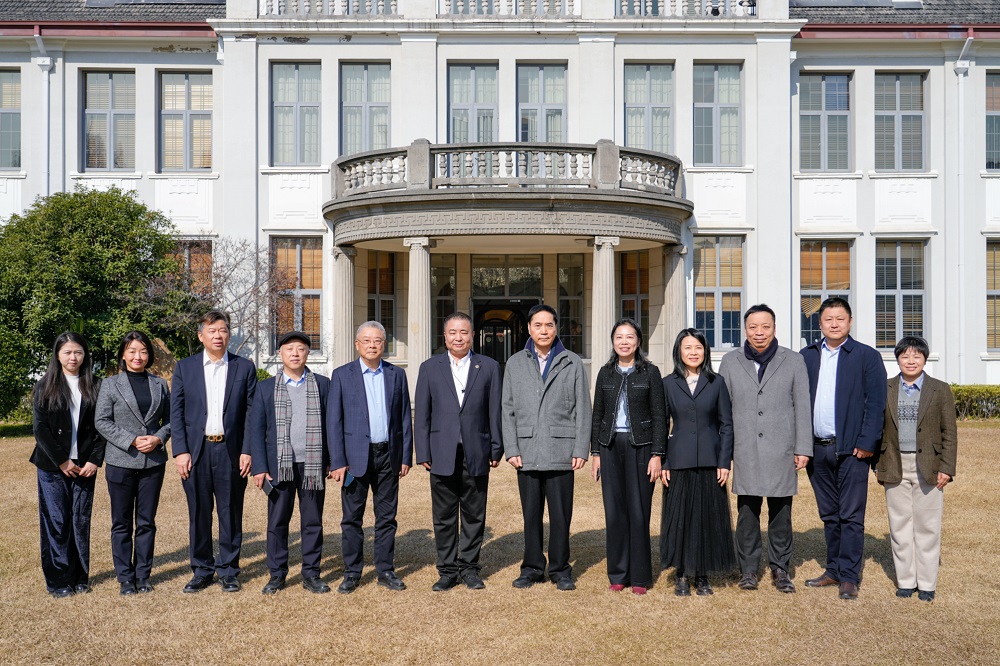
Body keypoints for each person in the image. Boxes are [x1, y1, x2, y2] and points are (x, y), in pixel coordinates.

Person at [718, 304, 812, 593]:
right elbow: (723, 411)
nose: (759, 332)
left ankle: (780, 568)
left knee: (781, 513)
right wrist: (724, 453)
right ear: (745, 330)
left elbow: (802, 406)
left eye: (765, 326)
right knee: (747, 513)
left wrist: (803, 447)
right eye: (753, 327)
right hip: (745, 449)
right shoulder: (731, 362)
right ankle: (748, 569)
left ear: (774, 328)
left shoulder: (793, 361)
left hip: (781, 449)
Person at [800, 297, 886, 600]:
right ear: (819, 323)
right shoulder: (807, 356)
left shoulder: (866, 356)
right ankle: (833, 569)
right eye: (828, 319)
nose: (834, 324)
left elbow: (876, 403)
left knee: (850, 515)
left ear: (850, 322)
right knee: (829, 514)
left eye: (840, 319)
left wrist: (866, 443)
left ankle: (849, 576)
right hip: (817, 449)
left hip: (852, 450)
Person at [502, 304, 592, 591]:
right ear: (529, 328)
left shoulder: (572, 362)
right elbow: (507, 409)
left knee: (561, 516)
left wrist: (580, 449)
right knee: (531, 515)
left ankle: (560, 569)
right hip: (526, 451)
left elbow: (583, 408)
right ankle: (531, 568)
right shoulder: (515, 363)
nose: (544, 330)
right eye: (538, 325)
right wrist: (511, 447)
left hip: (561, 450)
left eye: (549, 325)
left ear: (557, 328)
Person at [414, 312, 503, 591]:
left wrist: (496, 448)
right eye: (453, 332)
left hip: (477, 450)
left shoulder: (488, 367)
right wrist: (423, 452)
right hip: (441, 451)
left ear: (473, 335)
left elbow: (495, 411)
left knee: (474, 514)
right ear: (445, 336)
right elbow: (422, 414)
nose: (458, 337)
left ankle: (470, 568)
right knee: (444, 516)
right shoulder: (430, 368)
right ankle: (448, 570)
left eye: (464, 332)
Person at [170, 310, 257, 593]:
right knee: (199, 512)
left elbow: (252, 413)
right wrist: (180, 451)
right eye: (212, 331)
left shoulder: (244, 367)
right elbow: (176, 413)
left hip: (231, 452)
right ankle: (202, 570)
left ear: (228, 335)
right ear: (201, 336)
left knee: (230, 512)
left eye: (222, 330)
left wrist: (248, 450)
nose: (218, 336)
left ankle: (229, 570)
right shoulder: (185, 368)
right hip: (196, 452)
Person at [327, 321, 413, 594]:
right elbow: (334, 422)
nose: (372, 345)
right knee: (352, 518)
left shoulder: (396, 374)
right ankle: (352, 572)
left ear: (384, 344)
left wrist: (405, 456)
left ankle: (385, 570)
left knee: (386, 518)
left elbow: (404, 418)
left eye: (377, 340)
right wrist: (338, 461)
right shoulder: (342, 375)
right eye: (366, 340)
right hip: (354, 460)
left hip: (388, 455)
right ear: (357, 345)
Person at [875, 336, 957, 602]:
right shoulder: (885, 388)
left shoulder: (939, 389)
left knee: (927, 526)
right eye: (905, 356)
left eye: (916, 356)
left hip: (930, 466)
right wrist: (877, 464)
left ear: (925, 359)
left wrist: (947, 467)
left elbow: (949, 432)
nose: (911, 361)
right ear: (897, 359)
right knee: (899, 525)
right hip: (894, 463)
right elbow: (876, 428)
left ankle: (927, 583)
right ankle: (906, 581)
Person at [250, 331, 331, 595]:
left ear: (308, 353)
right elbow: (256, 430)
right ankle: (277, 574)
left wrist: (331, 460)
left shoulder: (323, 385)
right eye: (289, 349)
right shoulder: (265, 388)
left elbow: (332, 425)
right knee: (277, 522)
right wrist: (260, 467)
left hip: (312, 465)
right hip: (279, 466)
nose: (295, 353)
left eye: (301, 349)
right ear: (280, 353)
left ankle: (311, 574)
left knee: (312, 522)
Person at [590, 318, 665, 595]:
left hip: (641, 447)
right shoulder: (605, 373)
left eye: (630, 337)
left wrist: (657, 454)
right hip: (610, 446)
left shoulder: (650, 373)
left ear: (638, 341)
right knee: (615, 512)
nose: (624, 342)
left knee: (638, 511)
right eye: (619, 337)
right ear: (613, 342)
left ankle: (640, 577)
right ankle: (618, 574)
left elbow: (659, 415)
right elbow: (597, 414)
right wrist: (596, 453)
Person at [660, 328, 736, 597]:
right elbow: (662, 425)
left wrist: (724, 461)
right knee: (680, 517)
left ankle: (702, 575)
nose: (693, 352)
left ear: (705, 351)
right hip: (678, 460)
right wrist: (664, 462)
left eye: (698, 347)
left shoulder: (716, 382)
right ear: (679, 352)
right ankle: (682, 574)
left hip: (709, 460)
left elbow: (727, 425)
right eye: (688, 347)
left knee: (706, 517)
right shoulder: (668, 383)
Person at [94, 331, 171, 596]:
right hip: (121, 461)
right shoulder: (110, 384)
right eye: (132, 351)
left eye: (143, 351)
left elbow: (170, 420)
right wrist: (132, 440)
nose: (138, 356)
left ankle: (143, 575)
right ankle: (125, 577)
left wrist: (158, 438)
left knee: (147, 521)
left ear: (149, 355)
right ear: (123, 354)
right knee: (122, 522)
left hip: (153, 463)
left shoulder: (159, 384)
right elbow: (101, 420)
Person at [30, 332, 105, 598]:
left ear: (85, 355)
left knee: (80, 522)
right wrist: (62, 461)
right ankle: (59, 580)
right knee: (57, 522)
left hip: (85, 466)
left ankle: (80, 577)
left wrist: (94, 459)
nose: (73, 357)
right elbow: (40, 429)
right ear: (58, 355)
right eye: (68, 352)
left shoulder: (97, 385)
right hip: (53, 467)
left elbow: (103, 426)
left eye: (78, 352)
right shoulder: (45, 386)